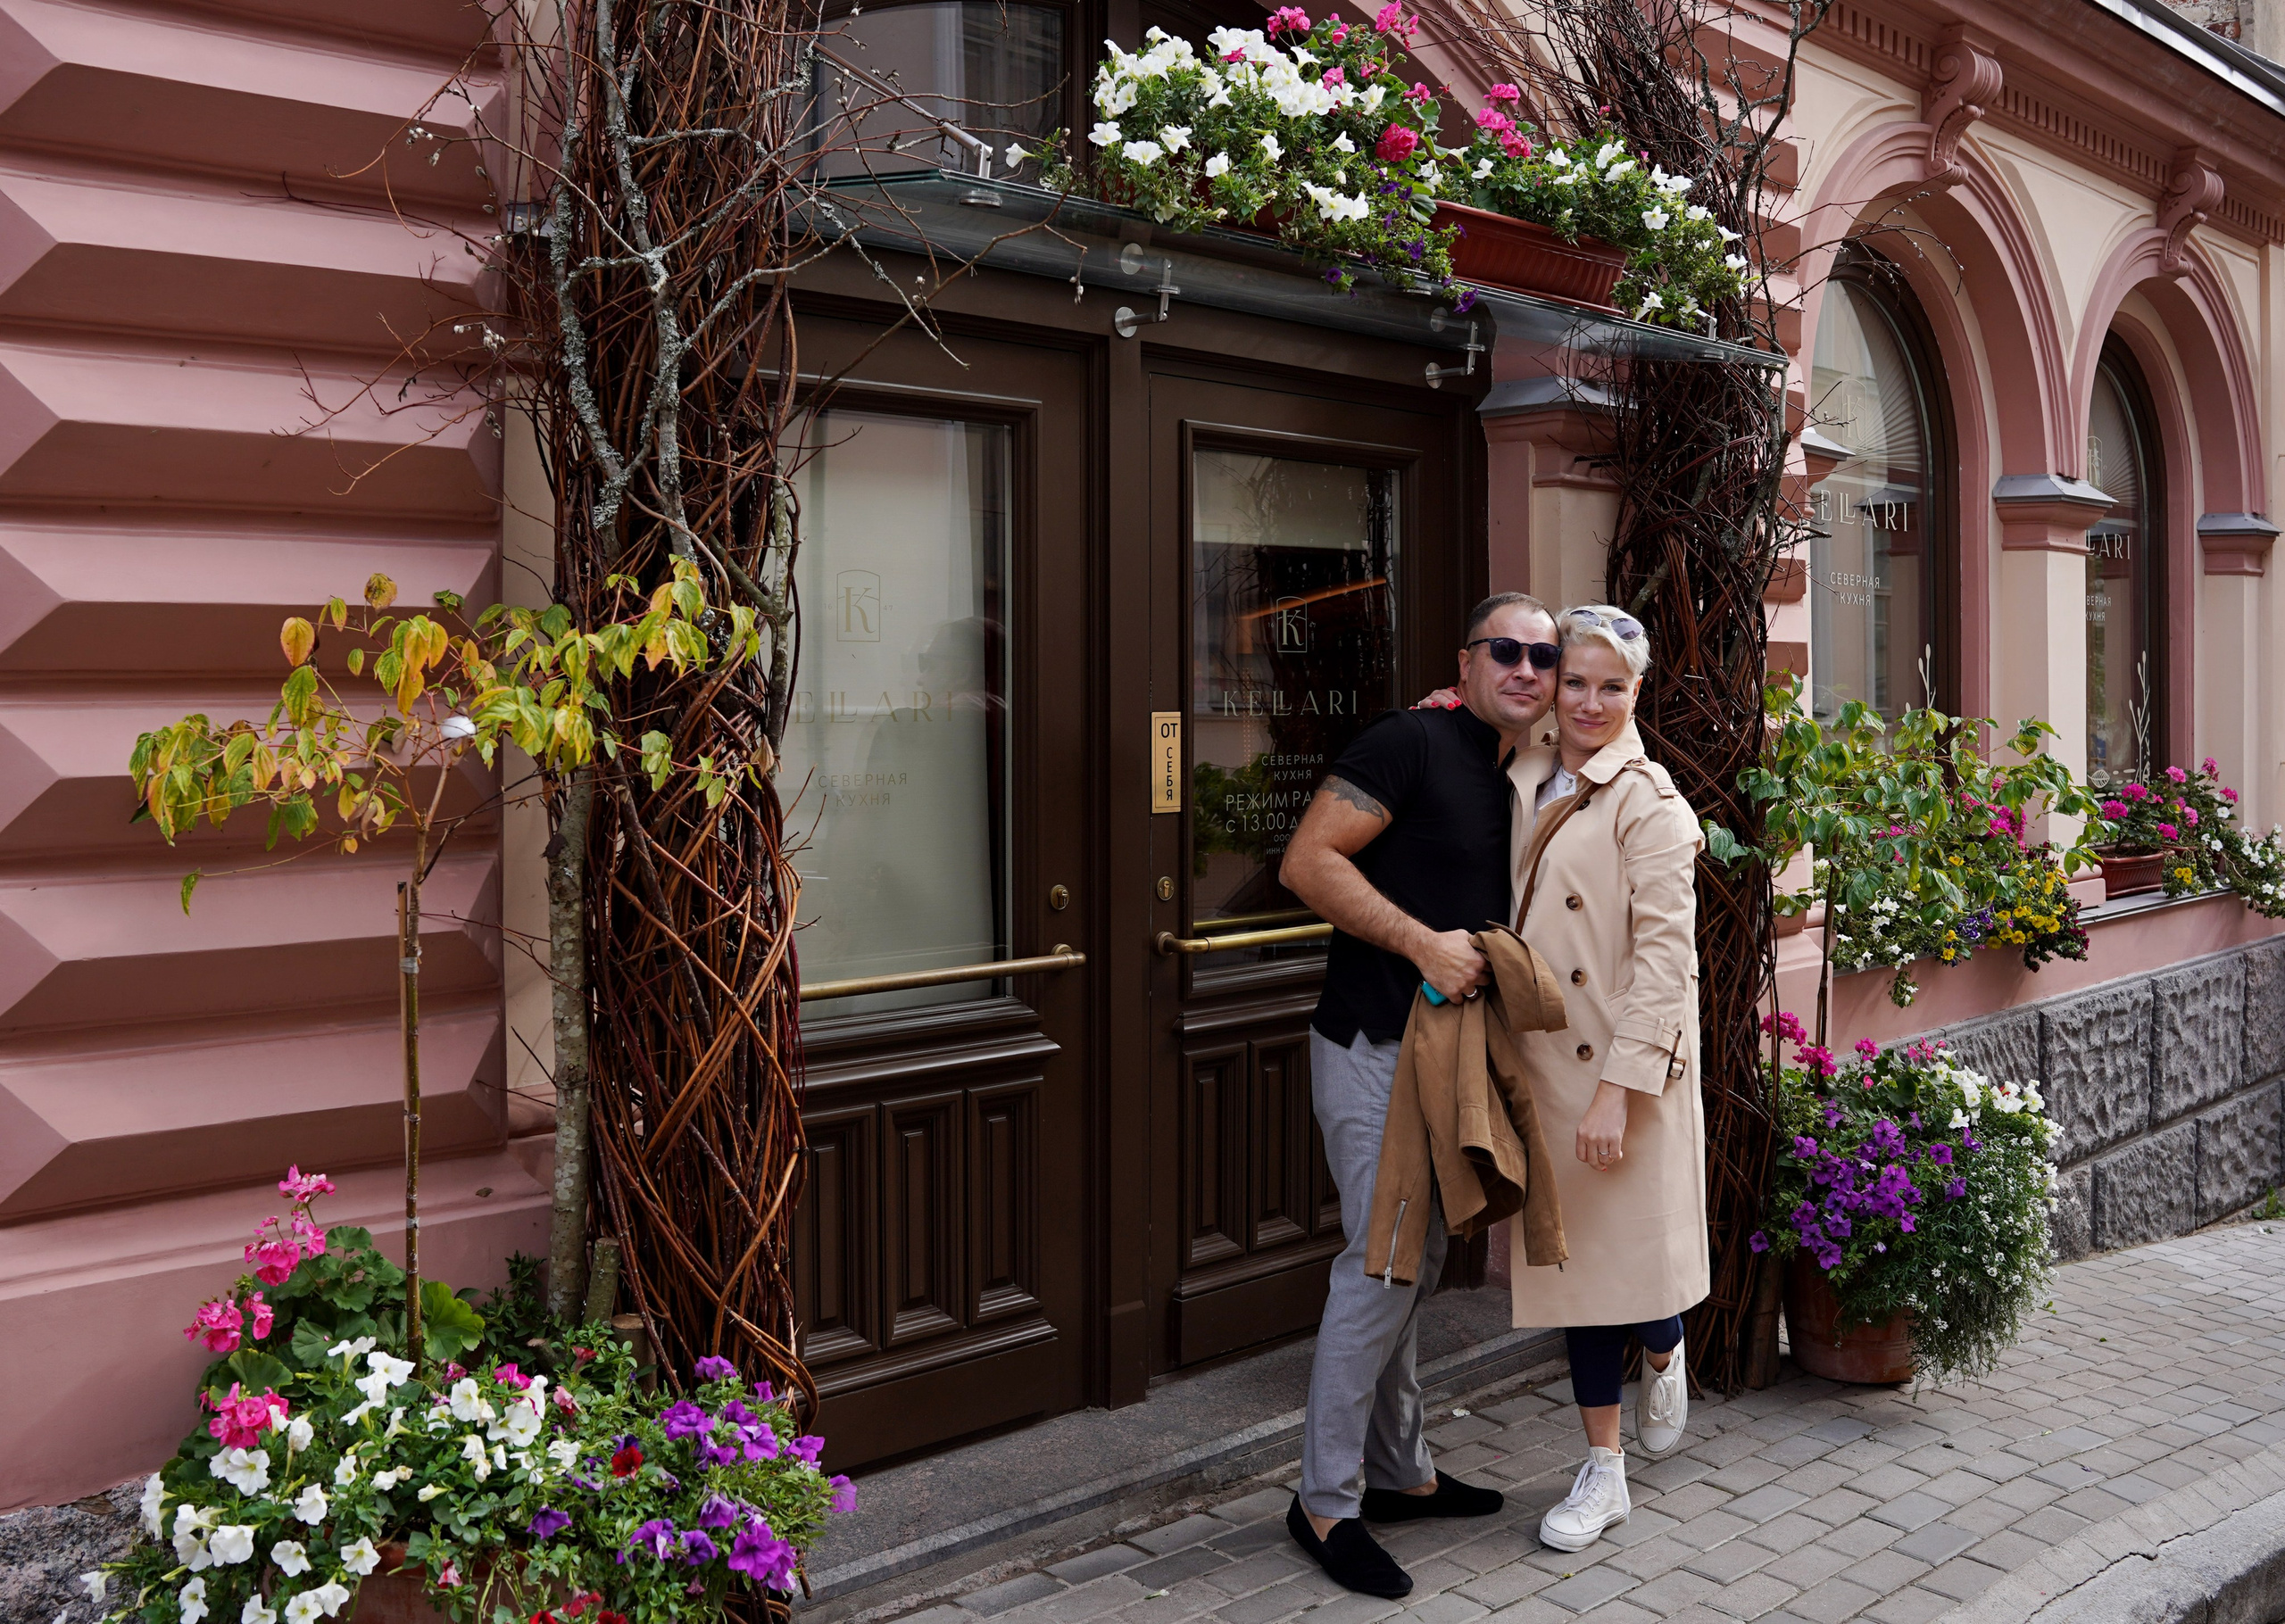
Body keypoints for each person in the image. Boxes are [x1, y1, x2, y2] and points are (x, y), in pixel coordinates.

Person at [1277, 592, 1559, 1598]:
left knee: (1419, 1257)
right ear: (1465, 659)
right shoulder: (1410, 740)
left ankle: (1399, 1471)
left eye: (1543, 657)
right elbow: (1306, 861)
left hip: (1449, 1052)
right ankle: (1324, 1501)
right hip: (1373, 1044)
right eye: (1505, 650)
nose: (1525, 668)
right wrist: (1419, 943)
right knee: (1381, 1265)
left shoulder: (1516, 762)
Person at [1504, 605, 1708, 1553]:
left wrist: (1618, 1091)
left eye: (1611, 686)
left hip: (1622, 1067)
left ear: (1637, 691)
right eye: (1575, 681)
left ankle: (1662, 1348)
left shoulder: (1650, 803)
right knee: (1577, 1274)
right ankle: (1606, 1470)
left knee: (1629, 1269)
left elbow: (1667, 966)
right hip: (1543, 1062)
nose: (1589, 702)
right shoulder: (1523, 769)